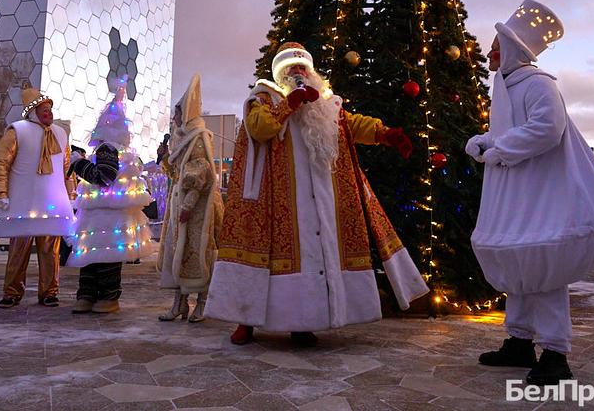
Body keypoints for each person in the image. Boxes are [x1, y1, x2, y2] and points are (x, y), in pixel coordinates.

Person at [204, 42, 429, 346]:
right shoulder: (264, 98)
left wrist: (383, 133)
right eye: (291, 69)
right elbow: (258, 129)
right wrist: (290, 103)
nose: (298, 72)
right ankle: (246, 321)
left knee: (310, 260)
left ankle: (303, 322)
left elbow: (350, 124)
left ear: (311, 72)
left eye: (302, 68)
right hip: (278, 198)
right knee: (269, 256)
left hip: (319, 199)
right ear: (280, 74)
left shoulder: (324, 104)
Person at [466, 0, 594, 386]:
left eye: (495, 46)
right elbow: (512, 130)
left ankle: (556, 352)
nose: (489, 51)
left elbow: (546, 128)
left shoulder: (538, 84)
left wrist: (500, 150)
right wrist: (484, 141)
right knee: (521, 262)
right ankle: (519, 341)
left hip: (539, 193)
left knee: (543, 264)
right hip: (515, 193)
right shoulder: (504, 87)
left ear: (513, 50)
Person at [0, 85, 76, 308]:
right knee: (18, 249)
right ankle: (12, 291)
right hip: (24, 201)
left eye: (50, 110)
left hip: (51, 203)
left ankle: (50, 292)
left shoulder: (60, 134)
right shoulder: (17, 130)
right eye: (44, 110)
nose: (48, 113)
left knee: (50, 251)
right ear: (34, 113)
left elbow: (66, 168)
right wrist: (0, 193)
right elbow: (1, 163)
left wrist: (71, 194)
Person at [66, 81, 154, 313]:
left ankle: (98, 297)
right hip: (109, 218)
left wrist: (79, 163)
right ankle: (98, 297)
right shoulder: (122, 151)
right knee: (104, 259)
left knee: (98, 259)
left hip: (103, 219)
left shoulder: (107, 149)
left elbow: (104, 177)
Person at [157, 74, 224, 323]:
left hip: (198, 208)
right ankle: (179, 303)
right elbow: (177, 173)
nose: (174, 118)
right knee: (177, 250)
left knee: (198, 251)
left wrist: (188, 203)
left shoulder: (198, 136)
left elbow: (201, 171)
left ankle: (201, 303)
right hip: (179, 205)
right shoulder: (181, 137)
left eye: (176, 113)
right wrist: (165, 158)